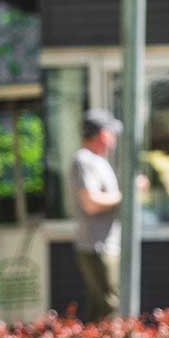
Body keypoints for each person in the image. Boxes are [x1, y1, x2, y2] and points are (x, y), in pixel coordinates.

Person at [70, 109, 126, 321]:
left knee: (99, 308)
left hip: (106, 243)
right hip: (96, 245)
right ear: (101, 134)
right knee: (109, 305)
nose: (114, 138)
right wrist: (126, 195)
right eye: (110, 132)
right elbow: (90, 203)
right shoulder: (84, 160)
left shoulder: (99, 161)